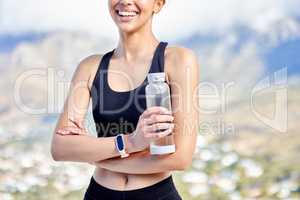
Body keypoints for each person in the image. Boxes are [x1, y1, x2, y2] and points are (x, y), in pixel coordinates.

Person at [50, 0, 199, 199]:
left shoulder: (178, 60)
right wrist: (131, 142)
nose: (126, 1)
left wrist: (96, 156)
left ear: (158, 4)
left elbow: (180, 158)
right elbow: (60, 148)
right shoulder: (90, 67)